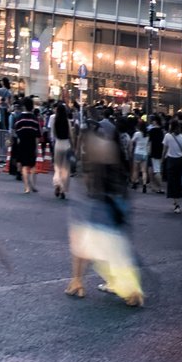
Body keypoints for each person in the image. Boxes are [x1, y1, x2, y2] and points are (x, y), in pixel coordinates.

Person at [67, 122, 145, 307]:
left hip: (103, 204)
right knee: (111, 247)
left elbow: (92, 179)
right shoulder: (118, 148)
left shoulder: (102, 148)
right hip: (116, 202)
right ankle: (124, 287)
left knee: (85, 244)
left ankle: (78, 282)